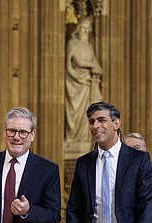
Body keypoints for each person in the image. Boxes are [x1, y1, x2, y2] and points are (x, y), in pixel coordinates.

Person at [65, 16, 103, 146]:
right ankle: (75, 139)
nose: (86, 32)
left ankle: (88, 139)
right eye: (84, 29)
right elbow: (77, 61)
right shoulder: (73, 43)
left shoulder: (89, 46)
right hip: (76, 83)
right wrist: (92, 66)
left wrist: (97, 67)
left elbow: (94, 61)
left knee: (94, 107)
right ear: (78, 29)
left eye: (88, 29)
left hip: (89, 84)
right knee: (76, 112)